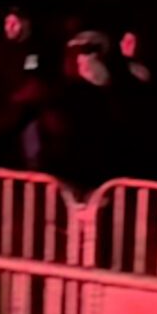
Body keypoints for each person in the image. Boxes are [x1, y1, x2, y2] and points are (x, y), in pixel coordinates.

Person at [38, 31, 126, 195]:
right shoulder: (64, 91)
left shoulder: (107, 92)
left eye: (84, 53)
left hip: (95, 169)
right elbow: (54, 124)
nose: (77, 59)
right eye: (71, 54)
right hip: (68, 169)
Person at [0, 7, 45, 170]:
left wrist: (25, 95)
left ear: (25, 24)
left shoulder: (32, 50)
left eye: (15, 23)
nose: (10, 27)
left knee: (28, 158)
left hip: (22, 116)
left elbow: (32, 74)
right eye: (7, 22)